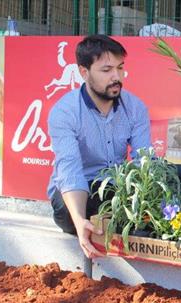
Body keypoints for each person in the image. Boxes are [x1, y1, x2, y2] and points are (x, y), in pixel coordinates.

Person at [47, 34, 152, 259]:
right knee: (70, 211)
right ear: (84, 73)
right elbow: (70, 170)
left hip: (117, 189)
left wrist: (145, 197)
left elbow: (145, 162)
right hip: (79, 191)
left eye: (120, 68)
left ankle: (124, 220)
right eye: (106, 70)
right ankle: (95, 223)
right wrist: (78, 219)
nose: (116, 77)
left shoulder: (135, 107)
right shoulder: (65, 112)